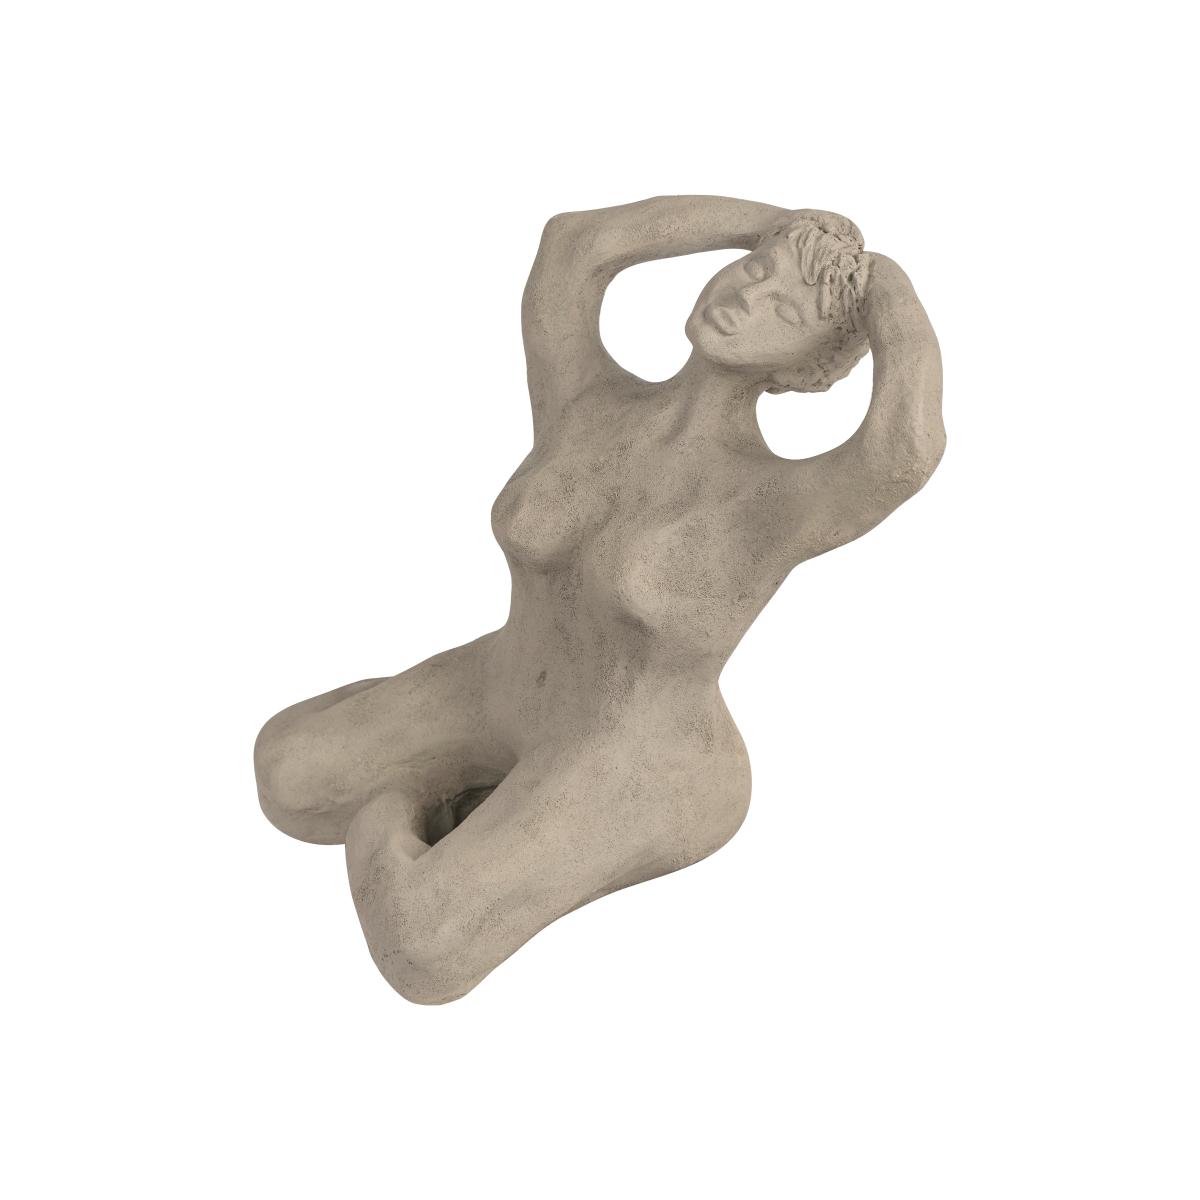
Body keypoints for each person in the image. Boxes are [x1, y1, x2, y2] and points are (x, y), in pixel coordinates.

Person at [254, 195, 945, 1003]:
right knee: (286, 775)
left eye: (786, 312)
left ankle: (446, 819)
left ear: (804, 368)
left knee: (424, 949)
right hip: (504, 683)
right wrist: (777, 224)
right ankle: (465, 813)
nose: (748, 297)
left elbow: (903, 451)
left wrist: (882, 284)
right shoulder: (587, 404)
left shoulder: (771, 503)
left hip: (639, 754)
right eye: (754, 271)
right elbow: (575, 247)